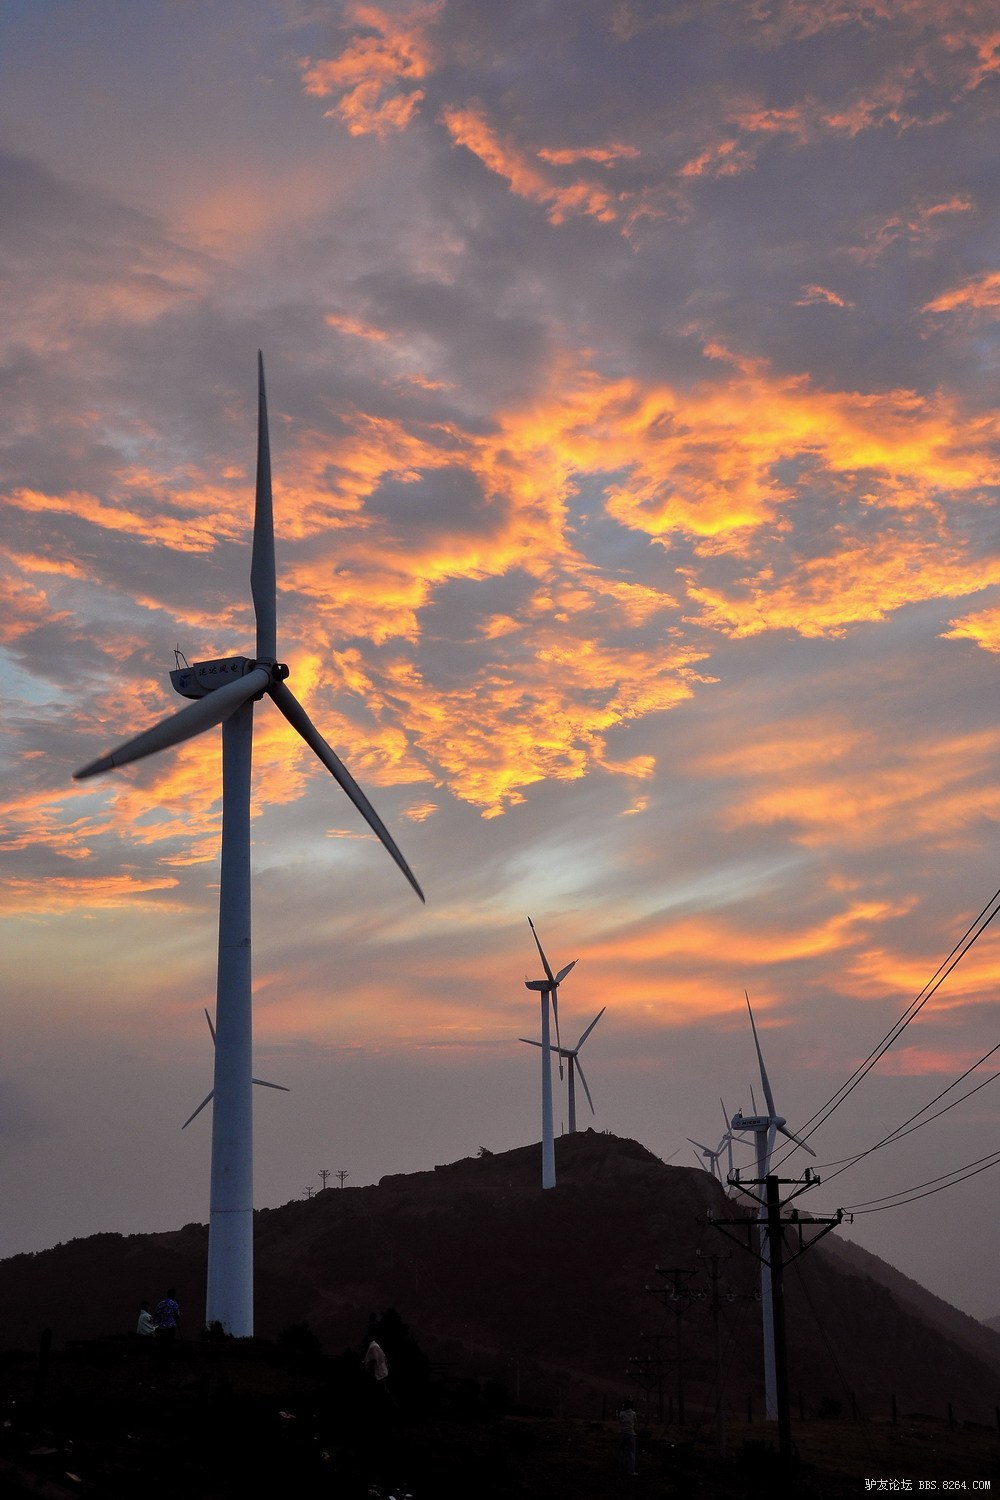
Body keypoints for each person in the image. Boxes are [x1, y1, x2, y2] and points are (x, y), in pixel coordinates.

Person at [618, 1399, 637, 1475]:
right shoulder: (633, 1413)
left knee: (621, 1451)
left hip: (623, 1434)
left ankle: (621, 1469)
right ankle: (631, 1470)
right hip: (631, 1434)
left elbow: (620, 1421)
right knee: (631, 1453)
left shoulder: (621, 1413)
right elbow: (635, 1421)